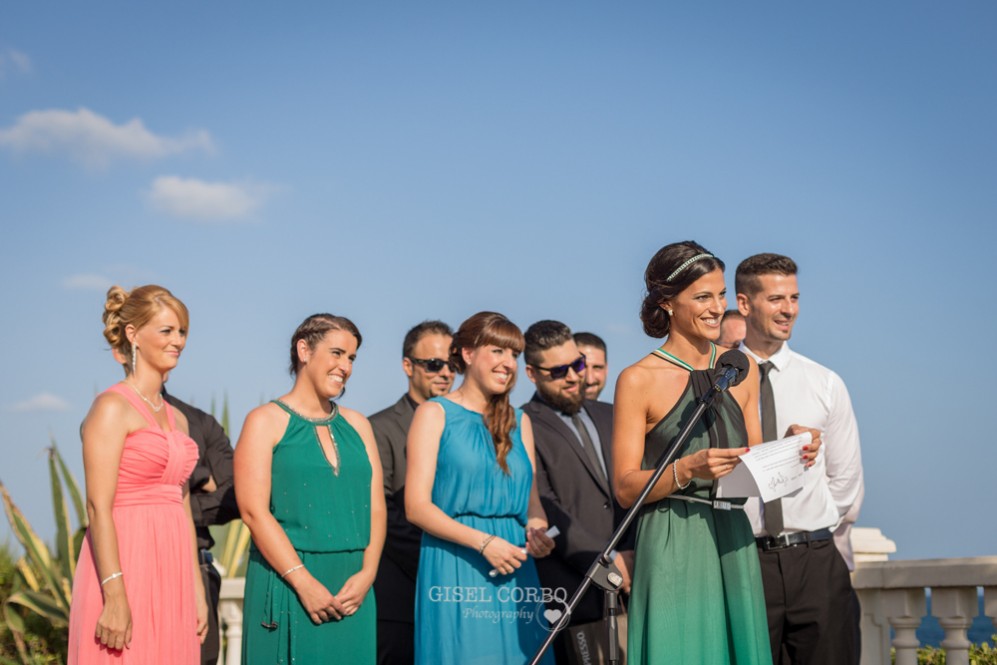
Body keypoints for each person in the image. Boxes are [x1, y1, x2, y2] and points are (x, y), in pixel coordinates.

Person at [613, 242, 820, 665]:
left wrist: (794, 446)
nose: (717, 307)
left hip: (732, 534)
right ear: (668, 303)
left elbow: (755, 459)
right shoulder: (637, 379)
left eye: (722, 295)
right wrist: (685, 469)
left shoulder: (740, 370)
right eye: (703, 296)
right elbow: (623, 487)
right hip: (672, 534)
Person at [405, 311, 557, 665]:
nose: (509, 363)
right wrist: (484, 543)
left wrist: (537, 531)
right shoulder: (434, 413)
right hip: (457, 564)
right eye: (498, 351)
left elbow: (532, 506)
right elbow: (416, 506)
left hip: (517, 570)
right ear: (468, 354)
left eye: (514, 355)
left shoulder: (522, 422)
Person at [235, 313, 386, 665]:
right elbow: (253, 513)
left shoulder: (359, 424)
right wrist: (303, 583)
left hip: (354, 588)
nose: (345, 366)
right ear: (304, 350)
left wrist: (368, 574)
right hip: (289, 581)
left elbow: (376, 508)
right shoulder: (263, 421)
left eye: (351, 358)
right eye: (336, 353)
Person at [68, 285, 208, 663]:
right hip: (125, 561)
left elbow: (181, 502)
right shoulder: (111, 407)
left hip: (174, 567)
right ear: (133, 335)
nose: (178, 341)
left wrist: (195, 587)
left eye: (181, 332)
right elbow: (98, 506)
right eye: (166, 331)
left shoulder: (178, 418)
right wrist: (114, 594)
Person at [735, 253, 864, 665]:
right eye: (775, 299)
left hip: (816, 563)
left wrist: (811, 530)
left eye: (794, 297)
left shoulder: (825, 382)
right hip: (744, 563)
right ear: (744, 303)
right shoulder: (714, 383)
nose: (788, 309)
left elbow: (845, 483)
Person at [523, 320, 632, 664]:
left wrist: (632, 554)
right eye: (558, 371)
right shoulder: (521, 423)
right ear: (531, 373)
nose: (573, 376)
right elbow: (545, 504)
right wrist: (606, 563)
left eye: (577, 364)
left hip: (636, 580)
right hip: (574, 590)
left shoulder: (613, 414)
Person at [369, 320, 455, 664]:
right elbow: (385, 513)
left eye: (453, 365)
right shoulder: (380, 428)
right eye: (434, 364)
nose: (445, 373)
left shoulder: (470, 427)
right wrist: (441, 563)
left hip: (460, 594)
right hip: (402, 596)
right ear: (409, 366)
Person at [163, 387, 240, 665]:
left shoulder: (200, 422)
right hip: (136, 566)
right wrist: (201, 477)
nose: (174, 341)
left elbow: (236, 495)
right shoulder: (114, 411)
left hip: (199, 571)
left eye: (180, 338)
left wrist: (172, 509)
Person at [572, 332, 609, 401]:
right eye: (582, 366)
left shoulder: (613, 411)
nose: (590, 380)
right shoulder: (546, 411)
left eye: (597, 367)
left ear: (606, 369)